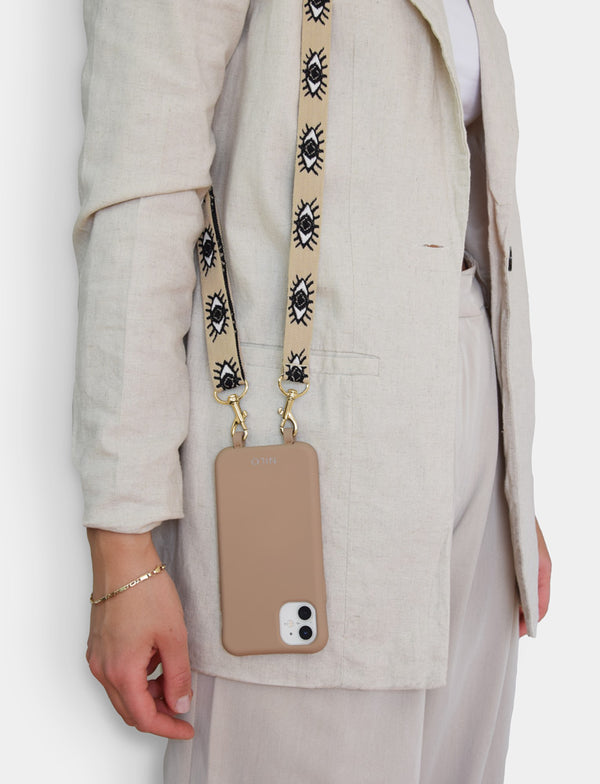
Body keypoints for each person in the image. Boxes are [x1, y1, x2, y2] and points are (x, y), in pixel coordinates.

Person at [72, 0, 551, 781]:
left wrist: (512, 485)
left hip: (464, 454)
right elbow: (144, 186)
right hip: (303, 463)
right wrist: (122, 540)